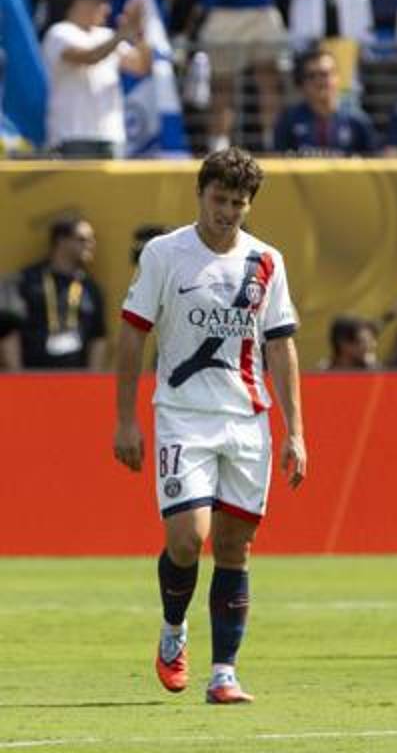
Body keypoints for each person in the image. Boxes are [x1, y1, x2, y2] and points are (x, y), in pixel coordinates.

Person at [112, 148, 307, 704]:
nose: (227, 212)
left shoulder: (266, 261)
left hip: (246, 421)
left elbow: (281, 346)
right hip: (183, 417)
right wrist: (125, 420)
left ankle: (224, 673)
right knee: (187, 539)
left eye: (238, 203)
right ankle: (173, 631)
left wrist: (295, 431)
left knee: (234, 546)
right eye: (219, 200)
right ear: (199, 194)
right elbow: (132, 334)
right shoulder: (165, 254)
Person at [41, 0, 152, 158]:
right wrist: (122, 35)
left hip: (111, 136)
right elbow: (90, 57)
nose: (107, 9)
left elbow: (142, 67)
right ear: (79, 2)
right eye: (100, 2)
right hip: (72, 136)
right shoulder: (59, 33)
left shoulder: (107, 35)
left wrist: (139, 33)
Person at [199, 0, 289, 152]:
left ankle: (274, 146)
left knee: (269, 80)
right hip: (221, 7)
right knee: (221, 85)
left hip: (261, 7)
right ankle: (218, 151)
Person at [13, 216, 108, 370]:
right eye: (82, 239)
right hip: (32, 376)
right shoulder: (27, 280)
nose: (91, 244)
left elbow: (98, 337)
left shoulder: (90, 287)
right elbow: (10, 332)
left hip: (76, 378)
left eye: (92, 239)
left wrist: (93, 378)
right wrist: (16, 377)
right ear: (61, 240)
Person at [274, 47, 379, 155]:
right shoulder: (288, 121)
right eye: (311, 76)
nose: (319, 81)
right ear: (301, 83)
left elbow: (373, 161)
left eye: (325, 74)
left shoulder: (357, 121)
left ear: (337, 77)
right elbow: (276, 159)